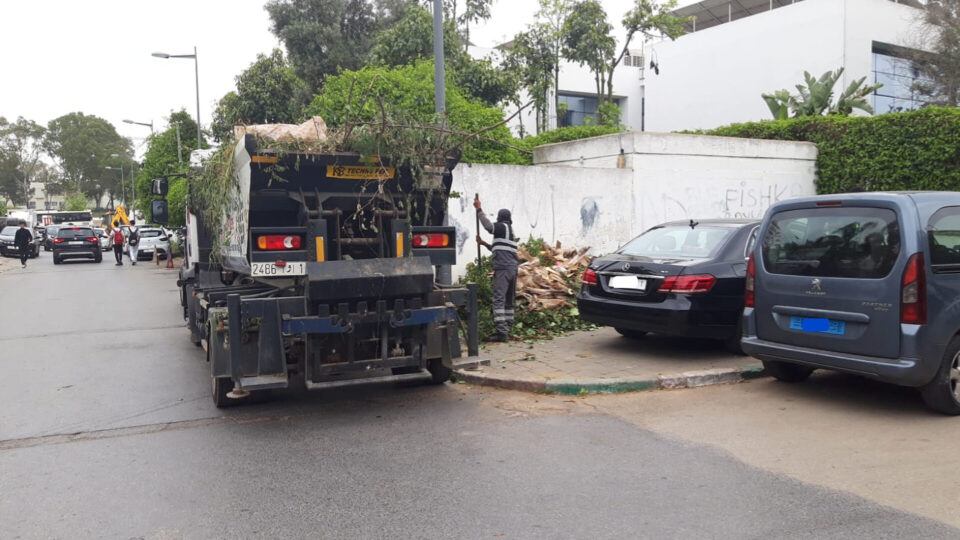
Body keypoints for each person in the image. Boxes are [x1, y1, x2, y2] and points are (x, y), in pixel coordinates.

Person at [474, 195, 518, 342]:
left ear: (500, 218)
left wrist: (479, 209)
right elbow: (498, 248)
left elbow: (488, 226)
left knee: (498, 299)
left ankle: (501, 332)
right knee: (508, 300)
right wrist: (484, 244)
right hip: (512, 269)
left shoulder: (501, 227)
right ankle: (508, 327)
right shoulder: (510, 232)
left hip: (503, 269)